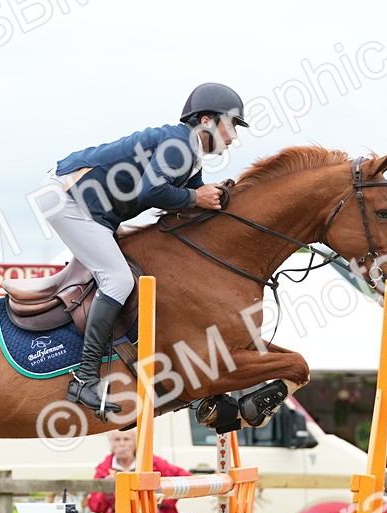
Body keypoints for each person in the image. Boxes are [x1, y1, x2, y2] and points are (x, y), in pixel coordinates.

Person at [33, 83, 247, 419]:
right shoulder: (178, 145)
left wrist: (217, 197)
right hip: (68, 197)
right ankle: (84, 377)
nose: (234, 136)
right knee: (118, 280)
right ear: (206, 120)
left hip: (91, 205)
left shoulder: (189, 155)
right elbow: (154, 191)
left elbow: (194, 201)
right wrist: (196, 198)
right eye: (232, 124)